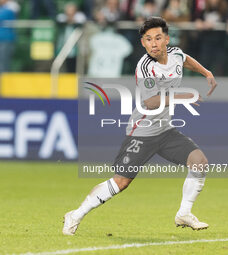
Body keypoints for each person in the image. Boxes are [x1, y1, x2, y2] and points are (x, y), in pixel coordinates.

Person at [63, 17, 217, 235]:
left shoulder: (174, 54)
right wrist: (183, 96)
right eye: (148, 39)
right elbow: (150, 101)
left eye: (157, 38)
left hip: (165, 130)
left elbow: (185, 59)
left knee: (199, 162)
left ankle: (184, 212)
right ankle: (75, 215)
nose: (153, 43)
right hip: (142, 132)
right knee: (121, 183)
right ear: (143, 43)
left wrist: (206, 72)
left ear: (166, 40)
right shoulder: (145, 67)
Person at [0, 0, 16, 74]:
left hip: (6, 39)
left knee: (3, 61)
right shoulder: (0, 9)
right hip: (0, 39)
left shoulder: (9, 10)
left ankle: (1, 80)